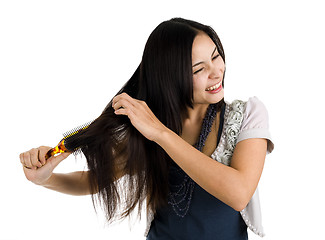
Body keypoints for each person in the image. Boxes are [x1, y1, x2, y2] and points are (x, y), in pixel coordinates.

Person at [20, 18, 274, 239]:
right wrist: (46, 180)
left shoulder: (247, 115)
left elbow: (239, 193)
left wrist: (161, 134)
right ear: (170, 77)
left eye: (216, 56)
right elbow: (96, 181)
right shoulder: (148, 124)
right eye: (199, 69)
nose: (216, 72)